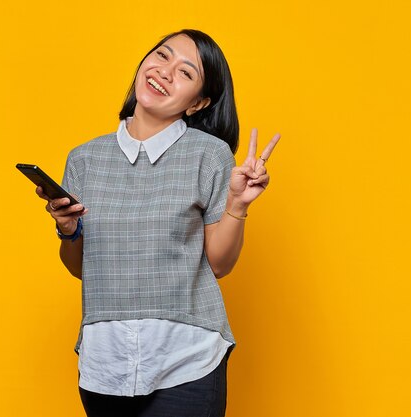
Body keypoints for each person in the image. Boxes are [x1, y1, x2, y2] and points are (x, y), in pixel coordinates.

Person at [35, 29, 280, 417]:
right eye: (162, 56)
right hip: (105, 362)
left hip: (186, 357)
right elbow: (82, 267)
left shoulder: (210, 155)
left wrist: (237, 203)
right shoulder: (84, 159)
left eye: (185, 73)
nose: (165, 72)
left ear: (199, 102)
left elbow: (219, 263)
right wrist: (68, 230)